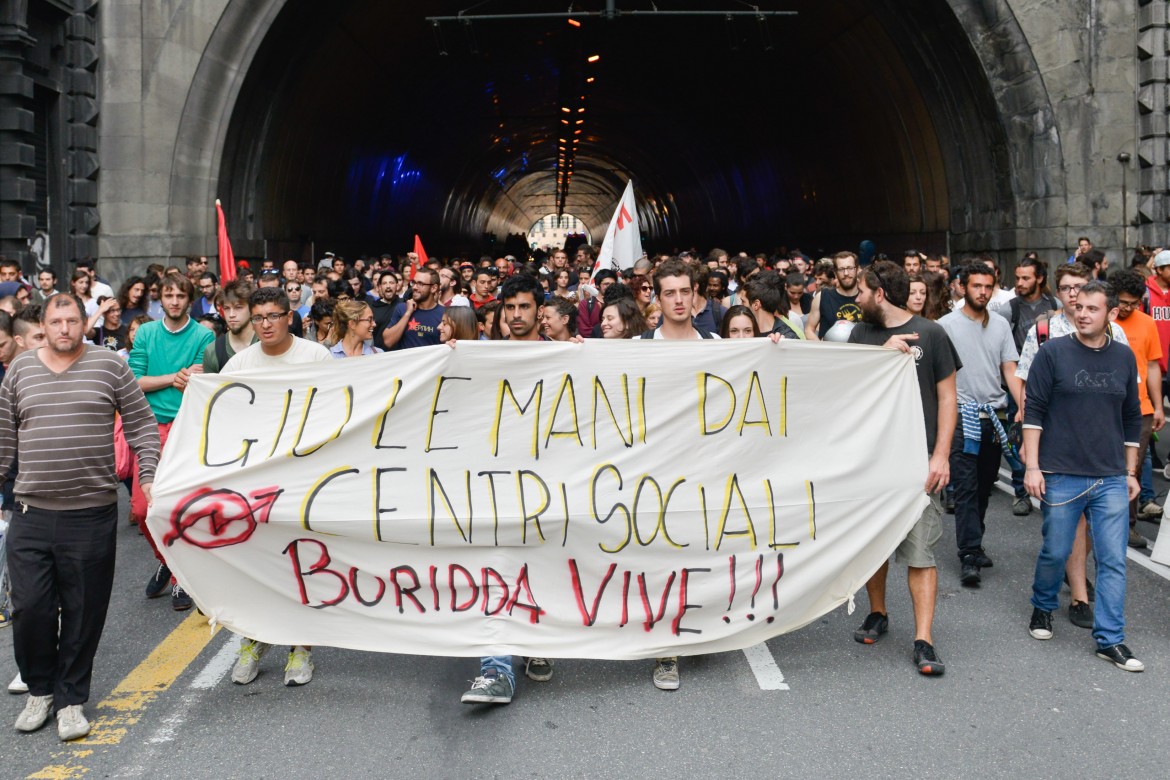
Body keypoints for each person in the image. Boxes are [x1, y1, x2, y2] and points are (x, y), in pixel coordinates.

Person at [0, 292, 160, 740]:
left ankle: (70, 699)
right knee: (29, 608)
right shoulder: (20, 370)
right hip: (30, 512)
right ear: (43, 326)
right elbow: (3, 439)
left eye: (72, 321)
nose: (64, 329)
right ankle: (40, 689)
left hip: (90, 514)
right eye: (56, 322)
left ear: (83, 324)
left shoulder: (110, 366)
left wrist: (147, 474)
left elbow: (142, 425)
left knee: (82, 610)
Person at [1023, 281, 1145, 672]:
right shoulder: (1053, 353)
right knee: (1056, 551)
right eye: (1079, 307)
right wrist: (1032, 467)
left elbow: (1131, 416)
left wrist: (1130, 470)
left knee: (1112, 561)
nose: (1083, 313)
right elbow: (1034, 411)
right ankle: (1042, 606)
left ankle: (1110, 639)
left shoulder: (1124, 357)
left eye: (1094, 308)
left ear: (1110, 314)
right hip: (1061, 472)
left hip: (1110, 475)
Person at [849, 261, 959, 675]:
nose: (855, 299)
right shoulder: (861, 334)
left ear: (879, 293)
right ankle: (878, 613)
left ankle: (924, 639)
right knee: (875, 545)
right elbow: (849, 389)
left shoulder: (931, 334)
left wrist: (941, 454)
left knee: (920, 551)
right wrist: (880, 357)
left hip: (918, 463)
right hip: (875, 461)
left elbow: (948, 397)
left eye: (861, 291)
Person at [223, 287, 330, 687]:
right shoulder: (240, 363)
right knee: (256, 563)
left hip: (304, 476)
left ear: (289, 317)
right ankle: (252, 640)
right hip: (256, 478)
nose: (265, 324)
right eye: (258, 318)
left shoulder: (315, 356)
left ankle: (300, 648)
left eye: (273, 316)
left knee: (299, 561)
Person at [128, 274, 215, 610]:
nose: (175, 301)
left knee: (179, 507)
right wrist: (173, 376)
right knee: (140, 508)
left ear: (189, 300)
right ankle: (168, 559)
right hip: (149, 428)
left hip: (187, 429)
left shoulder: (203, 334)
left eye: (181, 295)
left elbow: (197, 380)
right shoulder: (148, 332)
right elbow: (135, 381)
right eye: (169, 295)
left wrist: (176, 378)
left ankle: (181, 579)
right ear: (160, 298)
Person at [939, 263, 1023, 587]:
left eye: (988, 287)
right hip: (962, 415)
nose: (983, 292)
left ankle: (975, 540)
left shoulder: (1001, 325)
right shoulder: (945, 326)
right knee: (966, 487)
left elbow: (1010, 369)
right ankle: (969, 554)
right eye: (976, 286)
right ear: (962, 287)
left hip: (995, 415)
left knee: (985, 486)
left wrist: (1024, 408)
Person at [1109, 270, 1165, 546]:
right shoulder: (1102, 321)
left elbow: (1153, 365)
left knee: (1133, 467)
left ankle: (1128, 526)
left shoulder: (1146, 323)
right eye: (1122, 302)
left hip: (1140, 408)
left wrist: (1158, 406)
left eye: (1133, 302)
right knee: (1106, 465)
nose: (1128, 308)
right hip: (1105, 408)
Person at [201, 280, 257, 374]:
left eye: (238, 307)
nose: (231, 315)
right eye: (226, 308)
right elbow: (210, 388)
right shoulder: (213, 351)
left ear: (252, 309)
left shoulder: (267, 343)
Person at [384, 267, 444, 350]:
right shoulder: (402, 308)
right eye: (414, 282)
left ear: (433, 288)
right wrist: (408, 313)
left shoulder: (444, 314)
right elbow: (388, 342)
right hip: (407, 362)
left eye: (420, 284)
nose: (414, 287)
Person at [805, 252, 862, 340]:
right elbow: (809, 330)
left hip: (861, 352)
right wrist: (822, 349)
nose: (846, 273)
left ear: (857, 269)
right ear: (835, 273)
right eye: (841, 269)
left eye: (850, 268)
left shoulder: (867, 297)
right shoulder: (822, 297)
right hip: (829, 352)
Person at [742, 273, 804, 340]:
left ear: (756, 305)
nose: (740, 305)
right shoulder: (746, 331)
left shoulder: (786, 337)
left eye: (743, 301)